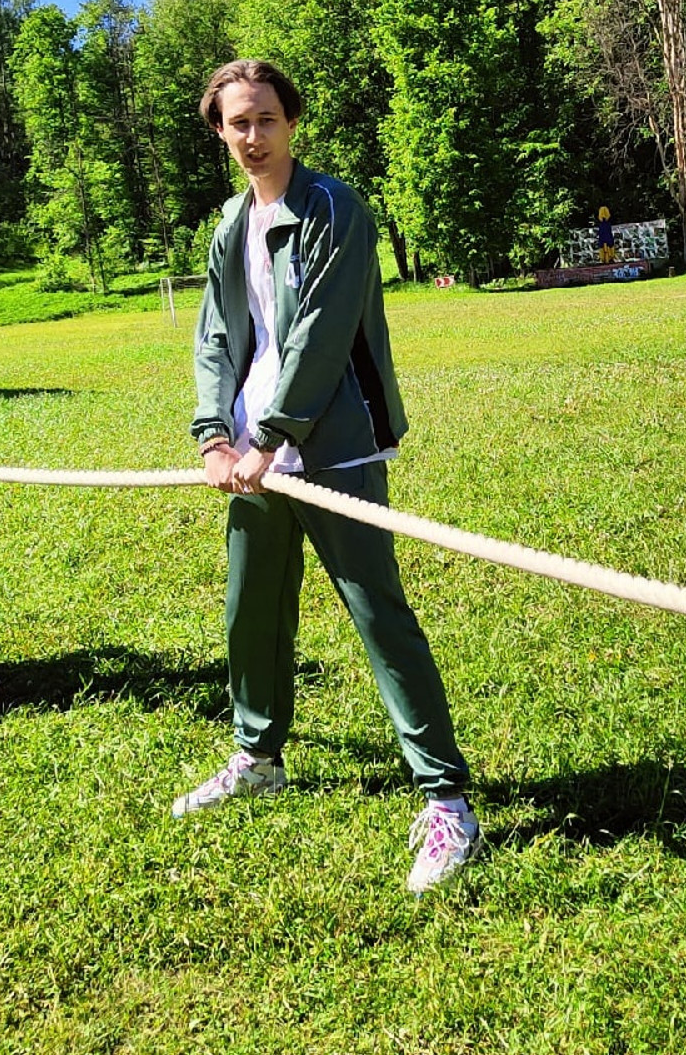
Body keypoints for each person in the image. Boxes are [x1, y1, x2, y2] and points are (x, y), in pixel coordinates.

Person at [177, 57, 480, 894]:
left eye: (266, 118)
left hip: (329, 446)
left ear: (291, 122)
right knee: (252, 611)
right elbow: (213, 338)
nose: (252, 136)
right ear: (219, 131)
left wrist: (273, 436)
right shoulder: (229, 225)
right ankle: (257, 753)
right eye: (237, 122)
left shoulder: (335, 208)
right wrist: (215, 434)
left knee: (376, 612)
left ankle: (447, 797)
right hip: (248, 457)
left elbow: (319, 328)